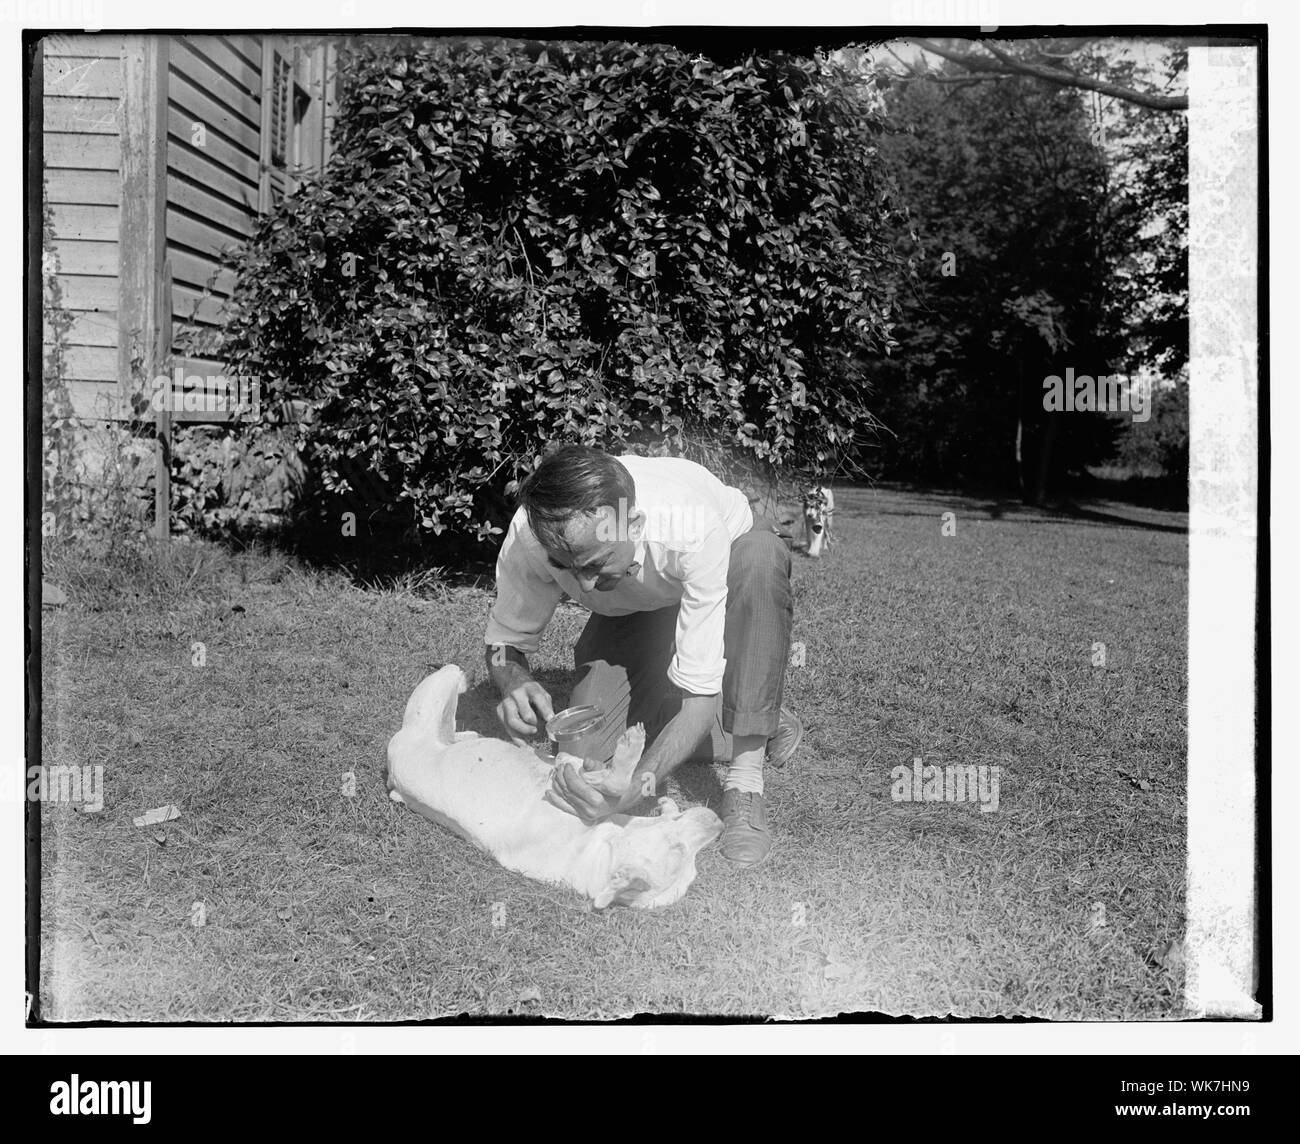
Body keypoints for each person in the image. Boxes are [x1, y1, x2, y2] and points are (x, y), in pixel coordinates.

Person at [483, 445, 801, 867]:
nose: (586, 587)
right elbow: (506, 639)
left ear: (632, 522)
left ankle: (745, 777)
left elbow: (697, 699)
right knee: (594, 756)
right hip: (636, 602)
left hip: (731, 567)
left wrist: (640, 784)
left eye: (595, 564)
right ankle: (751, 719)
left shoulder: (690, 527)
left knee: (761, 559)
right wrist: (512, 679)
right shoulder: (535, 530)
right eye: (567, 568)